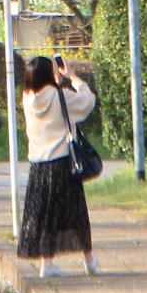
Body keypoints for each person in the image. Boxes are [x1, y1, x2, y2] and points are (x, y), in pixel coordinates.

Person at [18, 54, 97, 278]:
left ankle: (47, 264)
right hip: (62, 164)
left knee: (44, 217)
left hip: (38, 167)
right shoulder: (60, 96)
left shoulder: (26, 98)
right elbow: (87, 101)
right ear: (49, 74)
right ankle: (89, 261)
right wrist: (71, 76)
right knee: (77, 214)